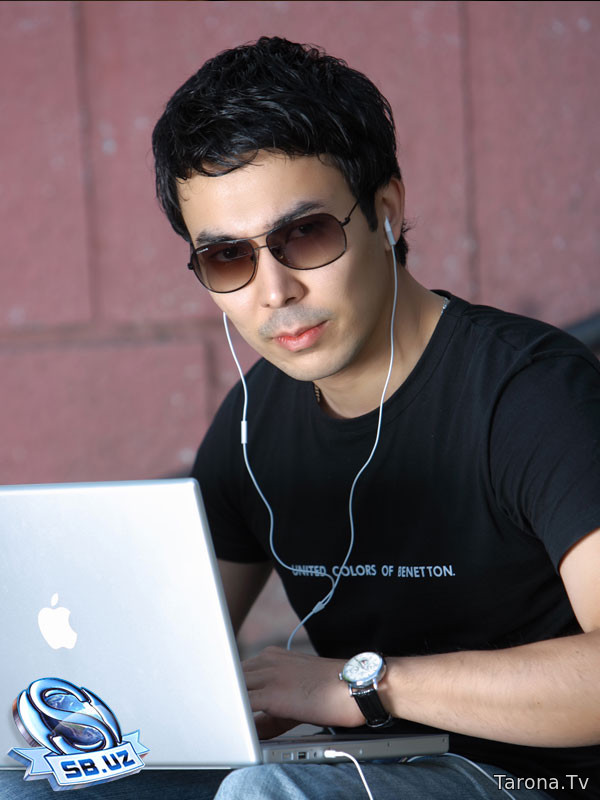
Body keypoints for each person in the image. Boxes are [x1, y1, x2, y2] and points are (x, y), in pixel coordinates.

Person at [149, 36, 600, 800]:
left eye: (304, 235)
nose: (274, 291)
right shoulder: (254, 423)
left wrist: (360, 686)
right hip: (370, 770)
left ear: (386, 213)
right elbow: (172, 661)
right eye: (228, 258)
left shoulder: (531, 392)